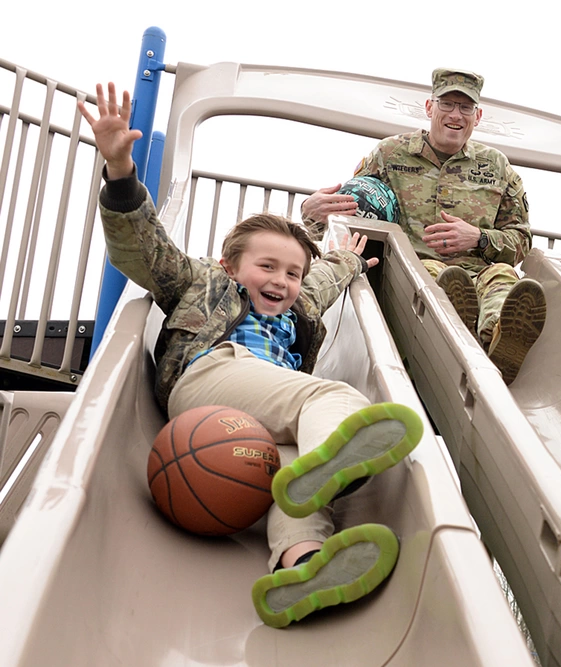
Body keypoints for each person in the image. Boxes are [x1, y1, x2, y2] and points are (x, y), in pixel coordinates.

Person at [80, 82, 423, 629]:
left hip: (263, 419)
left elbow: (324, 276)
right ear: (231, 264)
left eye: (291, 274)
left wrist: (351, 261)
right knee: (333, 397)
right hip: (211, 381)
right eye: (266, 267)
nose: (281, 281)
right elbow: (142, 248)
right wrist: (120, 172)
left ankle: (301, 566)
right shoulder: (202, 282)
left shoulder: (298, 307)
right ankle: (329, 461)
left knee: (295, 476)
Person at [301, 68, 544, 385]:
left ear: (478, 115)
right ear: (430, 108)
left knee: (503, 276)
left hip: (480, 269)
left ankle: (497, 341)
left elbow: (522, 241)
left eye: (465, 107)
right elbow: (352, 212)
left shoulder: (497, 166)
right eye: (447, 104)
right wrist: (310, 214)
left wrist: (479, 237)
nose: (456, 115)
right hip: (413, 273)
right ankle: (462, 329)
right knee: (434, 276)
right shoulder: (390, 155)